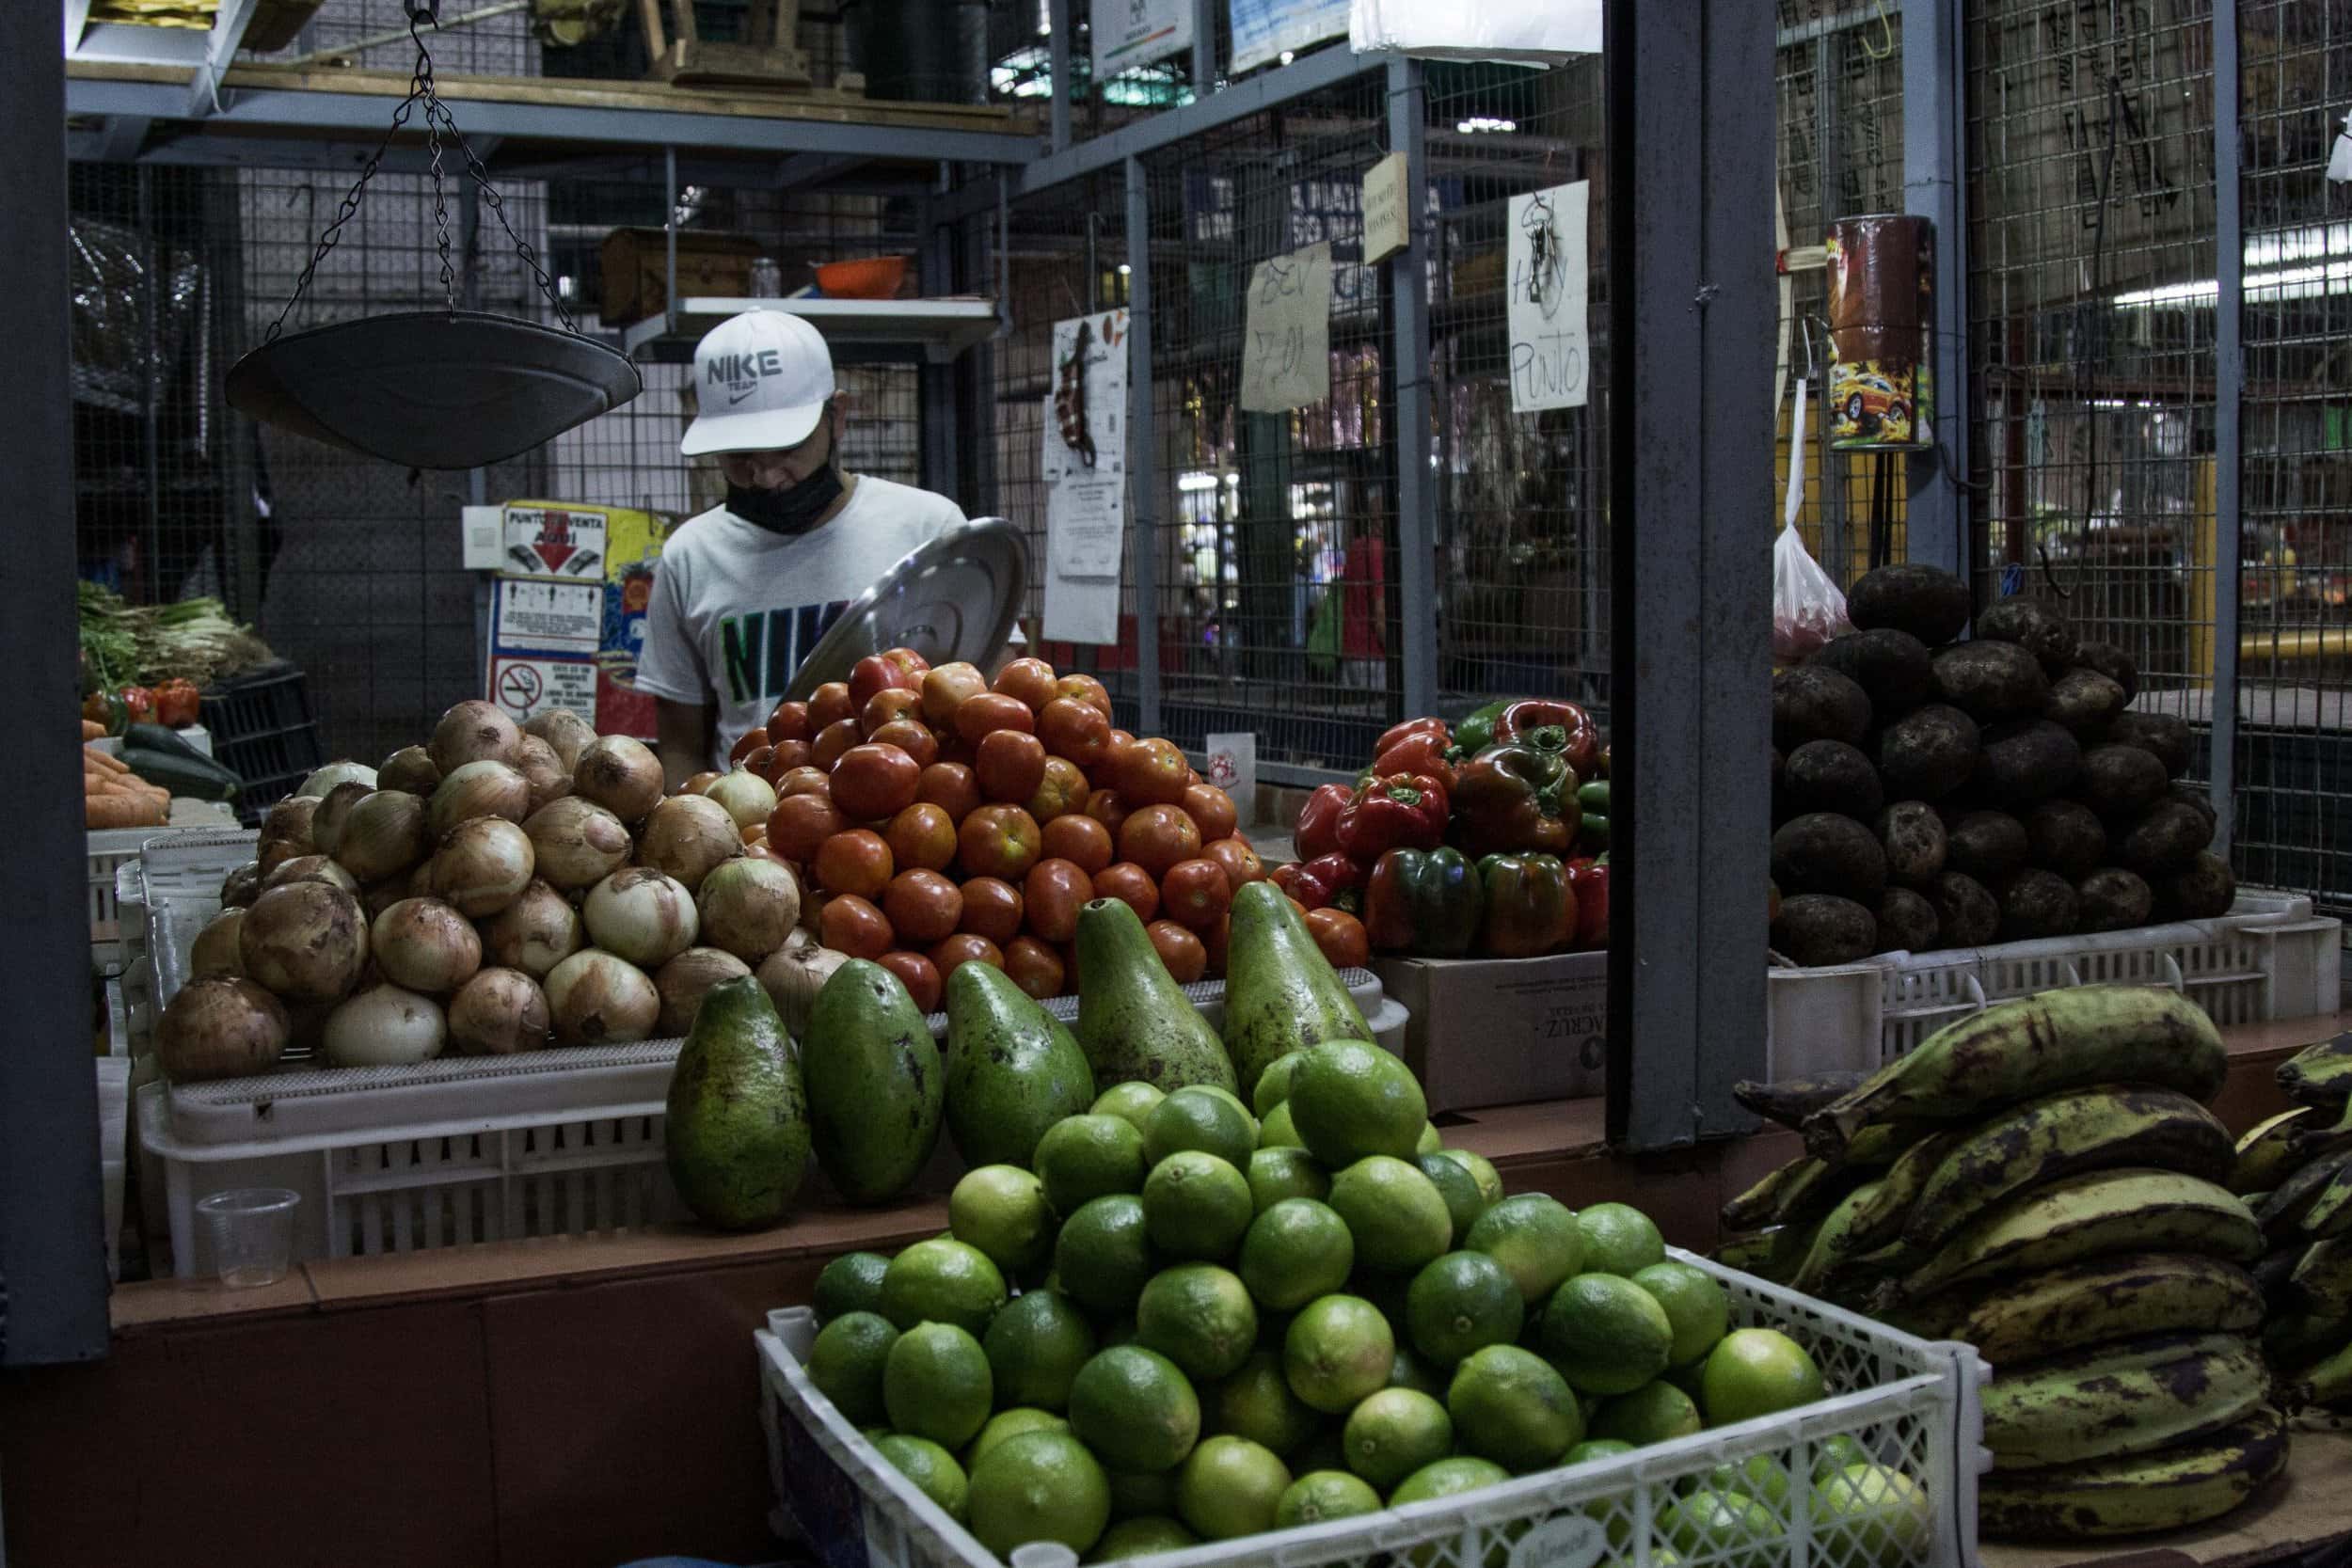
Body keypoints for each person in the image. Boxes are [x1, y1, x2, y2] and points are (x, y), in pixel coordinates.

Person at [635, 309, 967, 787]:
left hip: (909, 827)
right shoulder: (690, 555)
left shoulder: (927, 529)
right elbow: (682, 745)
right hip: (751, 840)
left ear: (838, 416)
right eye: (741, 456)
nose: (766, 477)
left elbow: (990, 704)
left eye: (788, 448)